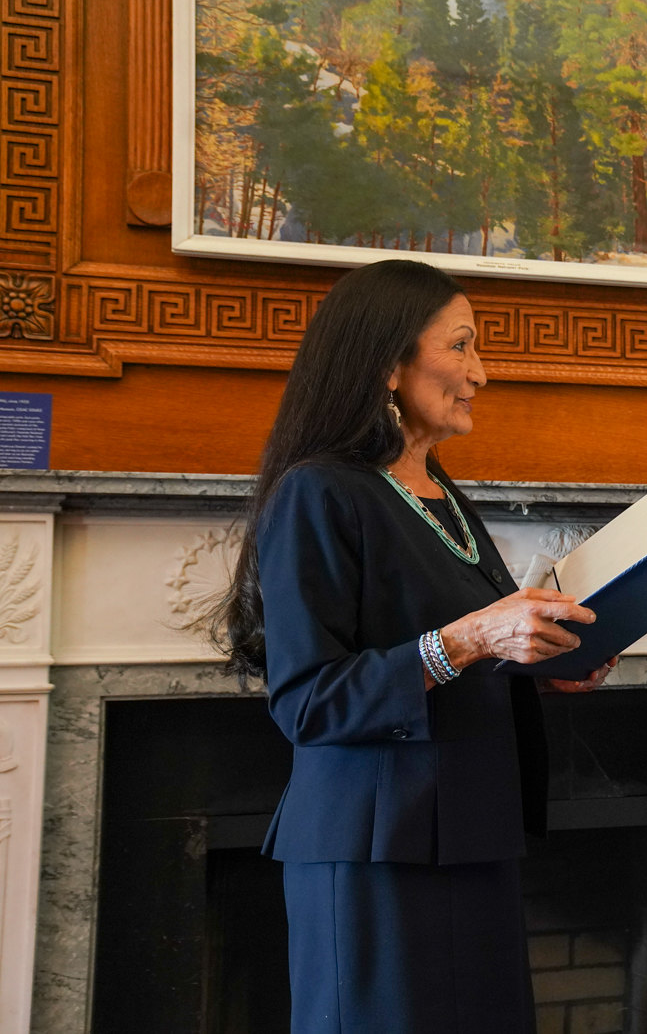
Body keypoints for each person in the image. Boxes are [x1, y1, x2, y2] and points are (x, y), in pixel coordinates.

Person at [209, 259, 614, 1032]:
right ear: (390, 364)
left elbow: (454, 653)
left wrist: (538, 666)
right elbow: (307, 699)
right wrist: (470, 639)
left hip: (472, 834)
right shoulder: (317, 491)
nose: (481, 373)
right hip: (373, 852)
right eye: (461, 346)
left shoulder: (443, 493)